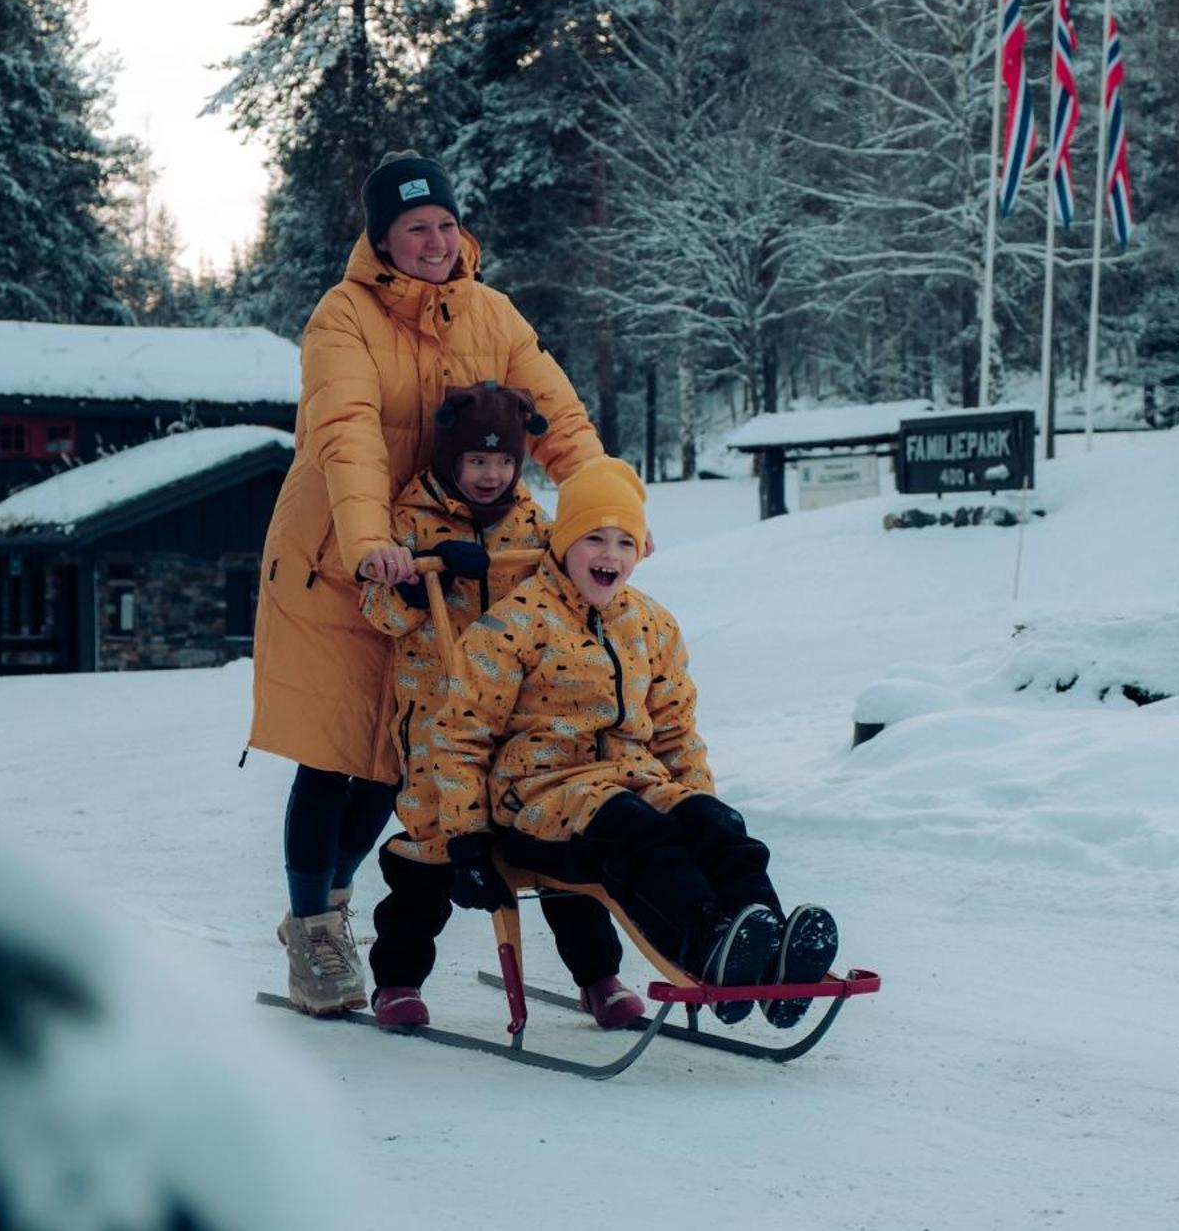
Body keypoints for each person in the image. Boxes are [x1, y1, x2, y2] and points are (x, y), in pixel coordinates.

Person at [249, 151, 604, 1016]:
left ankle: (333, 904)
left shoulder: (493, 312)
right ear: (382, 238)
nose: (436, 242)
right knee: (337, 751)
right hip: (345, 556)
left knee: (394, 758)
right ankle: (315, 930)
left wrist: (606, 514)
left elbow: (557, 418)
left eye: (445, 224)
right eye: (416, 229)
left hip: (447, 557)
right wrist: (372, 542)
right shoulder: (343, 317)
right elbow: (348, 433)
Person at [419, 458, 840, 1029]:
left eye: (624, 541)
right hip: (540, 800)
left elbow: (675, 730)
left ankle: (768, 943)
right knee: (640, 835)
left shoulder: (651, 625)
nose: (609, 555)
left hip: (633, 783)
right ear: (564, 543)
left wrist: (697, 805)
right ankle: (709, 948)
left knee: (718, 826)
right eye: (593, 538)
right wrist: (467, 841)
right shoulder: (511, 627)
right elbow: (461, 737)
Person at [357, 381, 643, 1031]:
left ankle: (599, 975)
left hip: (520, 713)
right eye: (477, 461)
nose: (491, 474)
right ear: (452, 460)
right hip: (438, 717)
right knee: (433, 843)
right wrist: (419, 574)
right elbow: (378, 609)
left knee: (557, 832)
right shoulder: (412, 520)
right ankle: (398, 979)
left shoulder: (533, 522)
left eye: (504, 462)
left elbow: (569, 576)